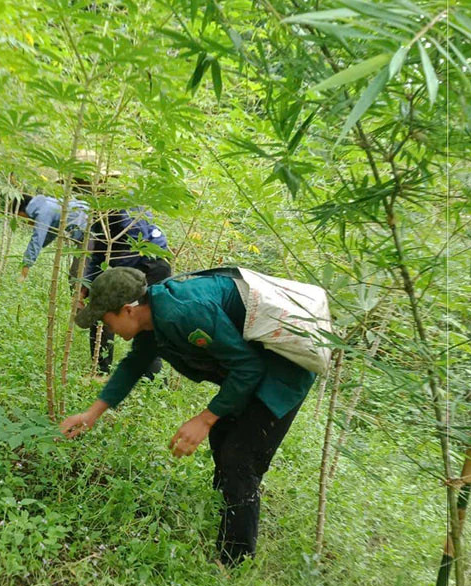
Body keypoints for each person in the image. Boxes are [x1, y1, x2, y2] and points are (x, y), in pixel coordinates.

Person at [60, 267, 315, 566]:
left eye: (106, 320)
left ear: (128, 310)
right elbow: (134, 364)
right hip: (254, 368)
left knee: (239, 457)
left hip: (282, 373)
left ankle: (234, 559)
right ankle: (227, 511)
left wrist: (205, 419)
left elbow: (249, 369)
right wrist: (92, 414)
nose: (107, 328)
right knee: (224, 436)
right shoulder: (152, 317)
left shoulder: (180, 312)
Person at [80, 208, 171, 376]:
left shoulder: (129, 217)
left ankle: (154, 380)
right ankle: (100, 371)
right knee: (100, 313)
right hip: (127, 268)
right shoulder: (101, 213)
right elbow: (99, 254)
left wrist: (104, 288)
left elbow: (123, 260)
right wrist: (86, 286)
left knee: (146, 324)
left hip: (150, 268)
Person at [16, 194, 89, 282]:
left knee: (77, 277)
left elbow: (37, 240)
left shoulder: (43, 211)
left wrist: (24, 271)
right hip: (85, 229)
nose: (24, 223)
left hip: (89, 232)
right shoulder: (47, 203)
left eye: (21, 218)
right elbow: (50, 234)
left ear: (22, 212)